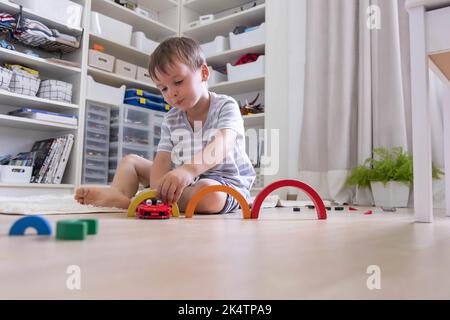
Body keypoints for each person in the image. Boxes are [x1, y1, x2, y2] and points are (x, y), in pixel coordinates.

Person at [75, 37, 255, 214]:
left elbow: (223, 144)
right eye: (163, 88)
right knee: (130, 161)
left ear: (204, 73)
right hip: (186, 179)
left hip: (225, 182)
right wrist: (158, 189)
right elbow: (162, 160)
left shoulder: (225, 105)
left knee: (210, 194)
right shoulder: (171, 118)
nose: (172, 94)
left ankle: (150, 200)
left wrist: (188, 170)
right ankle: (119, 195)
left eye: (178, 82)